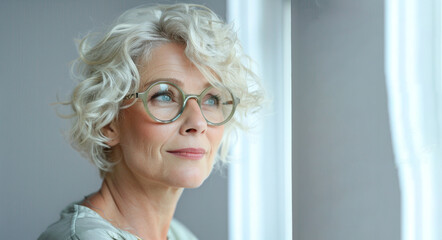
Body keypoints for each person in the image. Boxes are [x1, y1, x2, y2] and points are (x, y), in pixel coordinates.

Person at [38, 3, 263, 240]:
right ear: (107, 120)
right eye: (164, 96)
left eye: (212, 99)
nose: (198, 122)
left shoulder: (180, 235)